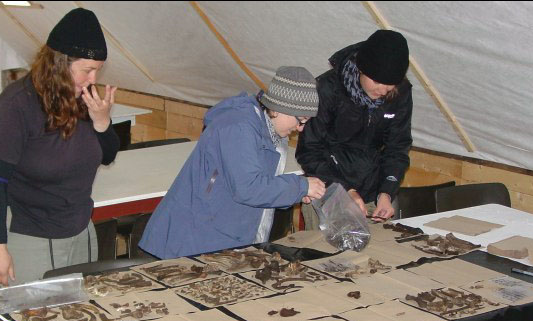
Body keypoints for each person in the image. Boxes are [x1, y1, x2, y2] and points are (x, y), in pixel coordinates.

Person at [0, 8, 118, 321]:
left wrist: (102, 120)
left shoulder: (81, 99)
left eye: (98, 70)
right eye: (88, 69)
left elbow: (107, 154)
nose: (94, 79)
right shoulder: (16, 104)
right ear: (61, 62)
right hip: (30, 237)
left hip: (78, 230)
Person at [139, 66, 326, 259]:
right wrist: (300, 186)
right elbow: (249, 188)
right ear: (279, 109)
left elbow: (261, 187)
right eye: (300, 120)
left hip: (225, 237)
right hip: (193, 240)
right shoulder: (238, 126)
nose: (301, 128)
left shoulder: (274, 134)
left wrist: (294, 194)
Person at [296, 29, 412, 228]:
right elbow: (309, 151)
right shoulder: (327, 89)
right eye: (377, 81)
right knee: (322, 255)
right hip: (329, 191)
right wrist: (345, 190)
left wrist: (386, 192)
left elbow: (397, 148)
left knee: (377, 256)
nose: (383, 91)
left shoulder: (400, 95)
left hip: (371, 196)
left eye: (390, 85)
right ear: (361, 69)